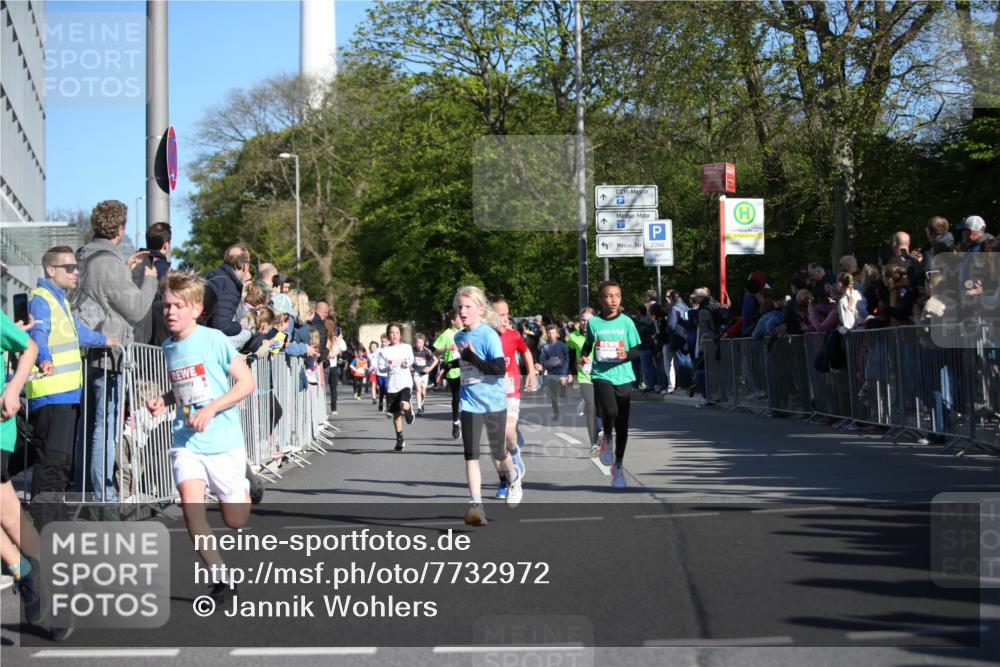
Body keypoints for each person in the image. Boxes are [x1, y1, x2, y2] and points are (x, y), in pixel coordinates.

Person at [147, 272, 257, 605]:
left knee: (235, 520)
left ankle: (248, 484)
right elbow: (184, 389)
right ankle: (221, 579)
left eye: (177, 306)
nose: (170, 312)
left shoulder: (213, 339)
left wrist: (210, 409)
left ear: (196, 309)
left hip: (223, 440)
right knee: (191, 510)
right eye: (166, 305)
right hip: (187, 440)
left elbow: (246, 383)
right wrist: (164, 400)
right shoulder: (168, 345)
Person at [75, 201, 157, 501]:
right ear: (120, 229)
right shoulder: (108, 263)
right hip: (109, 353)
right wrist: (149, 280)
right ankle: (103, 494)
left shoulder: (83, 256)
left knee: (88, 424)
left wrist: (124, 268)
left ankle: (85, 488)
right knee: (105, 426)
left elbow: (96, 293)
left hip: (86, 348)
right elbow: (134, 310)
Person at [28, 247, 117, 513]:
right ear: (50, 270)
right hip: (51, 392)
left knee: (60, 461)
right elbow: (38, 334)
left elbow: (75, 331)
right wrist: (43, 358)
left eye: (76, 267)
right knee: (52, 461)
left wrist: (103, 340)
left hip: (65, 393)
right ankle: (45, 520)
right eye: (69, 267)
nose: (75, 272)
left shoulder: (61, 300)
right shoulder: (42, 299)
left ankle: (50, 517)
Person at [450, 286, 521, 526]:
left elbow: (498, 370)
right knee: (471, 456)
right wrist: (452, 367)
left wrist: (473, 359)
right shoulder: (459, 337)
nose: (462, 311)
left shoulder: (489, 335)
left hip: (493, 402)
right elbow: (466, 369)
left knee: (499, 453)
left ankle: (513, 476)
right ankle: (476, 506)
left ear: (480, 309)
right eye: (459, 307)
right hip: (470, 402)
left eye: (468, 307)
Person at [578, 280, 641, 488]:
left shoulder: (627, 322)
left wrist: (626, 355)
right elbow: (588, 344)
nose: (613, 300)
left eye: (617, 296)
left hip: (623, 376)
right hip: (601, 374)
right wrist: (584, 356)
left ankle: (619, 467)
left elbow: (637, 350)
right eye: (608, 296)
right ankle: (606, 436)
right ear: (600, 299)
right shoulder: (594, 323)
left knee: (622, 427)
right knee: (610, 412)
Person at [490, 296, 536, 500]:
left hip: (511, 390)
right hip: (489, 393)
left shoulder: (512, 335)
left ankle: (515, 453)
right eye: (501, 315)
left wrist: (532, 372)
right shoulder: (482, 336)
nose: (506, 318)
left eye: (507, 313)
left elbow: (525, 351)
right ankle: (504, 481)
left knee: (508, 434)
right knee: (496, 443)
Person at [131, 222, 172, 346]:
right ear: (166, 245)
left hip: (131, 334)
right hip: (154, 337)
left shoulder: (132, 264)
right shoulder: (166, 271)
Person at [374, 323, 415, 451]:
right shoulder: (383, 351)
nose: (394, 335)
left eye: (397, 333)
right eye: (392, 333)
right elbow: (381, 368)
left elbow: (411, 359)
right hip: (392, 384)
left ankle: (409, 410)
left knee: (403, 404)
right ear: (388, 335)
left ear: (400, 334)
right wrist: (389, 367)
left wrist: (407, 362)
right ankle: (399, 439)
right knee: (396, 414)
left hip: (405, 382)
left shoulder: (407, 347)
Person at [567, 307, 600, 456]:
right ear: (578, 322)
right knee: (591, 408)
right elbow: (571, 357)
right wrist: (569, 373)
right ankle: (594, 444)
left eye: (589, 320)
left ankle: (600, 430)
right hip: (584, 377)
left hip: (602, 375)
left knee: (605, 408)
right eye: (583, 320)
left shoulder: (600, 334)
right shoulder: (573, 337)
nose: (585, 323)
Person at [204, 244, 252, 338]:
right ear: (245, 266)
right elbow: (220, 326)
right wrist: (239, 326)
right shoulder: (228, 286)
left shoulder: (214, 275)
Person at [433, 309, 463, 439]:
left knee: (468, 398)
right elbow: (436, 351)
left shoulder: (465, 332)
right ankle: (456, 422)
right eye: (459, 318)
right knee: (456, 398)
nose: (462, 320)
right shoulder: (446, 334)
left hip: (466, 369)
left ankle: (468, 422)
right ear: (453, 321)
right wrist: (447, 348)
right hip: (452, 369)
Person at [536, 324, 569, 420]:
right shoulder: (545, 347)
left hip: (561, 373)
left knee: (562, 394)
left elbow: (567, 360)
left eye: (553, 333)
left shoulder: (562, 346)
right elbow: (542, 360)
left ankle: (565, 405)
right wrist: (547, 363)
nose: (551, 335)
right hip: (551, 374)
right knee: (553, 395)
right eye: (549, 333)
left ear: (557, 334)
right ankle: (556, 412)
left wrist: (564, 373)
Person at [411, 333, 438, 415]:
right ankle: (419, 409)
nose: (419, 344)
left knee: (423, 392)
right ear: (415, 342)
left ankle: (422, 403)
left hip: (425, 373)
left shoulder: (427, 351)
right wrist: (410, 367)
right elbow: (407, 359)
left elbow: (436, 360)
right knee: (418, 390)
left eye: (421, 342)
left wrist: (430, 368)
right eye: (417, 342)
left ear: (424, 343)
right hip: (416, 372)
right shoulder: (412, 350)